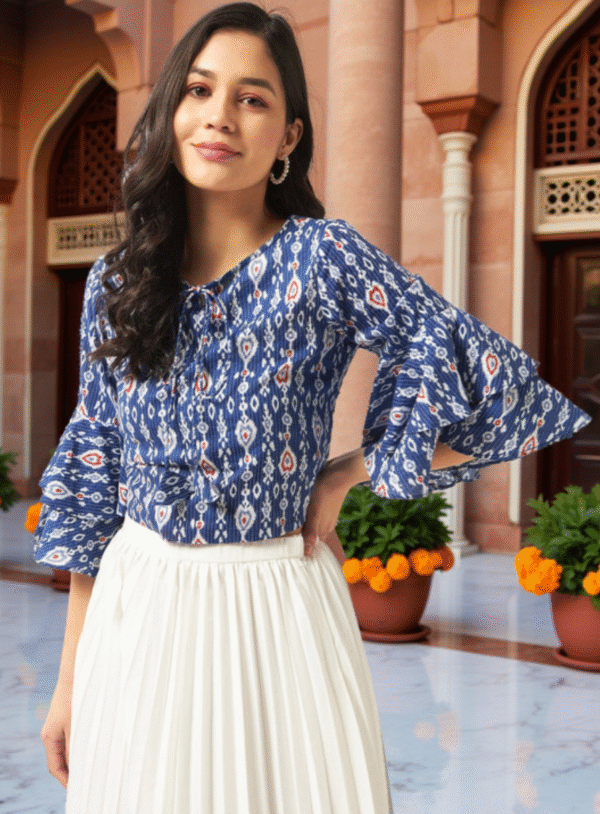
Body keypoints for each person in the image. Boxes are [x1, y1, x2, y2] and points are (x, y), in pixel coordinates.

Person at [33, 3, 590, 813]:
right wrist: (67, 684)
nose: (220, 116)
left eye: (253, 98)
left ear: (289, 135)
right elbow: (96, 473)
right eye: (199, 89)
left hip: (273, 611)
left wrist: (347, 474)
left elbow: (499, 388)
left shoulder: (321, 257)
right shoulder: (118, 280)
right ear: (172, 110)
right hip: (136, 608)